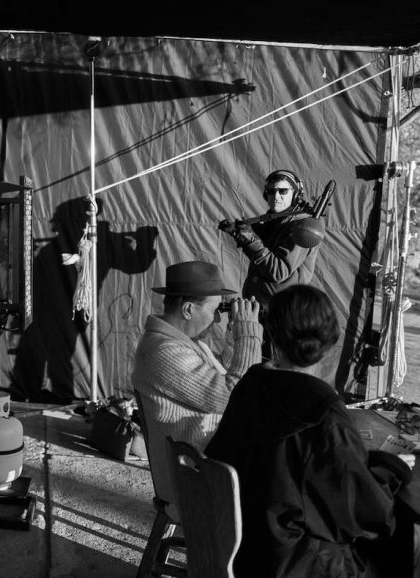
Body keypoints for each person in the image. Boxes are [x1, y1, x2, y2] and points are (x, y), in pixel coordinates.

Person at [205, 284, 416, 577]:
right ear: (330, 341)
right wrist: (394, 467)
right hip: (294, 561)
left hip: (243, 548)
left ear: (273, 335)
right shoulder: (323, 412)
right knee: (408, 541)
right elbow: (366, 514)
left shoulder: (249, 386)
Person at [132, 260, 262, 451]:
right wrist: (248, 333)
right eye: (214, 310)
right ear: (188, 310)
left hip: (211, 453)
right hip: (198, 467)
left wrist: (235, 334)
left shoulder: (185, 342)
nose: (218, 318)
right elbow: (234, 397)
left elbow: (223, 373)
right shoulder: (163, 351)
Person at [220, 169, 321, 309]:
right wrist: (241, 235)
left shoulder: (302, 228)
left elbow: (279, 271)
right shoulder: (274, 222)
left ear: (296, 195)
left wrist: (250, 240)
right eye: (272, 191)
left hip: (280, 313)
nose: (276, 196)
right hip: (258, 307)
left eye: (283, 191)